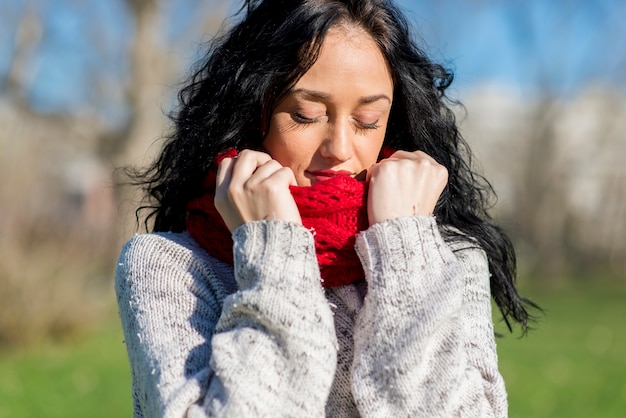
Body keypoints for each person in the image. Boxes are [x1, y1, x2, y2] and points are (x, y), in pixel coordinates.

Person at [115, 0, 536, 416]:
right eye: (305, 115)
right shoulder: (171, 267)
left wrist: (406, 248)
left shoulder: (448, 260)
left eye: (368, 120)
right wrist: (272, 251)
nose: (339, 148)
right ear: (251, 113)